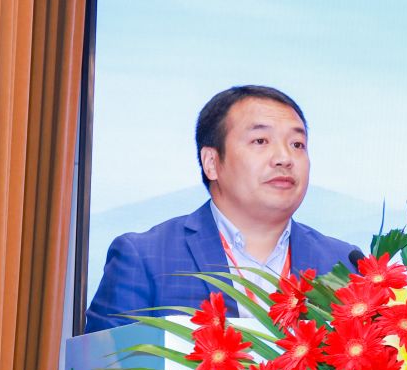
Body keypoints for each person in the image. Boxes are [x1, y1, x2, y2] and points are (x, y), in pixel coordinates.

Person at [84, 85, 358, 332]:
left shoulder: (346, 265)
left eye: (297, 144)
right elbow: (101, 368)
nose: (285, 158)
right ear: (212, 163)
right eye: (260, 141)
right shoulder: (145, 258)